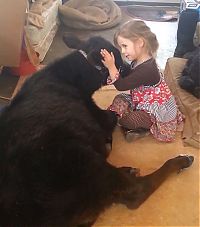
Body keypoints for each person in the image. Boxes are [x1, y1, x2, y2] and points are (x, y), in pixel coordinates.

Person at [100, 19, 184, 142]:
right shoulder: (140, 60)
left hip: (154, 110)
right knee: (120, 99)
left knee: (129, 120)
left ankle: (143, 128)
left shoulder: (147, 69)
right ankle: (131, 125)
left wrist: (111, 67)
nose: (123, 51)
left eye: (125, 46)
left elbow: (122, 85)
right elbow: (128, 77)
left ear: (140, 42)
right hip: (142, 101)